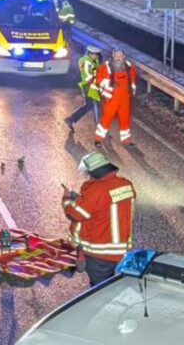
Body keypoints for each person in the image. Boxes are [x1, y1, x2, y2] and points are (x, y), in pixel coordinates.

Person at [62, 151, 136, 286]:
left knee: (101, 293)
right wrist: (81, 199)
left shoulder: (96, 191)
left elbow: (74, 214)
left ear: (93, 172)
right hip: (121, 250)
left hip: (100, 254)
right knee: (112, 286)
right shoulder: (126, 185)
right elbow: (104, 204)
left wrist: (67, 199)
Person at [94, 48, 137, 147]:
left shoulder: (129, 66)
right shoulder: (106, 66)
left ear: (124, 56)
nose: (118, 58)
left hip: (125, 98)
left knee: (125, 119)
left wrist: (132, 91)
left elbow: (133, 80)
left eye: (120, 56)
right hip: (111, 98)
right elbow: (99, 77)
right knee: (106, 118)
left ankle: (126, 140)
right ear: (113, 56)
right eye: (116, 55)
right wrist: (106, 84)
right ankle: (98, 139)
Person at [64, 45, 102, 131]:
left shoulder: (93, 60)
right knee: (95, 105)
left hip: (93, 85)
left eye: (97, 55)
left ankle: (71, 119)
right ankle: (101, 130)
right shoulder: (84, 61)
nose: (97, 56)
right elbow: (88, 75)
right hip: (89, 86)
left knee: (90, 105)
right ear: (90, 54)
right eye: (95, 54)